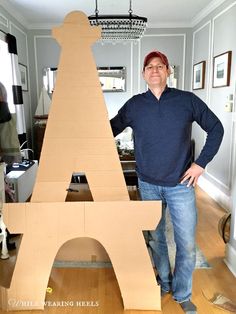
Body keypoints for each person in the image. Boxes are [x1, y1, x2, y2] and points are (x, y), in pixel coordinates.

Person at [110, 51, 224, 314]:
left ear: (167, 70)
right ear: (143, 74)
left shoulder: (187, 100)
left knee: (185, 242)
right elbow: (110, 129)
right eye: (149, 67)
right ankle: (164, 282)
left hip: (180, 184)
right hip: (147, 183)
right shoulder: (134, 105)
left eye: (159, 66)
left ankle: (182, 293)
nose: (154, 70)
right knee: (156, 237)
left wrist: (200, 164)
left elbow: (216, 128)